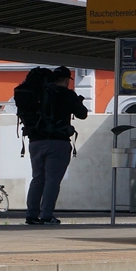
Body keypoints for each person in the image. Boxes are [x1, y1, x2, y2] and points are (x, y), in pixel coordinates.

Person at [21, 66, 87, 225]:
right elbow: (82, 114)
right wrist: (77, 101)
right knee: (52, 180)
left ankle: (31, 215)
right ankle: (46, 215)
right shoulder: (67, 94)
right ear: (66, 80)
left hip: (35, 141)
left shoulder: (38, 94)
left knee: (37, 178)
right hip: (58, 142)